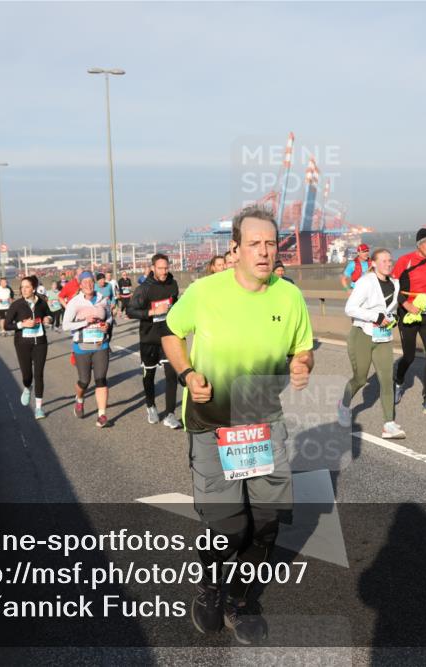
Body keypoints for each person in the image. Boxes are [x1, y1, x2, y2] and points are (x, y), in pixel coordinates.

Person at [162, 205, 314, 645]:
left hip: (262, 424)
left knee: (265, 523)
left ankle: (240, 600)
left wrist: (302, 364)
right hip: (212, 424)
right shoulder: (205, 291)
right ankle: (211, 586)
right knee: (227, 526)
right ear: (235, 249)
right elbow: (171, 332)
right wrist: (187, 374)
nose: (264, 252)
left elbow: (303, 349)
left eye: (271, 244)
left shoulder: (289, 297)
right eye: (254, 244)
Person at [338, 249, 404, 439]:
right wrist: (376, 316)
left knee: (387, 380)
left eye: (390, 260)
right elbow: (350, 308)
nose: (388, 264)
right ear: (373, 263)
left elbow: (392, 309)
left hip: (383, 338)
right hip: (362, 335)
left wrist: (394, 318)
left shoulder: (395, 283)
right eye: (383, 261)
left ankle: (389, 424)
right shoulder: (365, 282)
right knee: (360, 379)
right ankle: (343, 405)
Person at [392, 228, 426, 414]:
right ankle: (398, 382)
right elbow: (392, 286)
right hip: (408, 315)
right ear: (419, 245)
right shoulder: (404, 261)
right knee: (409, 356)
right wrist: (406, 304)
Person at [128, 253, 181, 429]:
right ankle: (150, 405)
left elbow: (176, 305)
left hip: (168, 335)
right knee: (149, 375)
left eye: (166, 268)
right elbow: (130, 311)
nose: (164, 271)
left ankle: (170, 414)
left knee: (171, 375)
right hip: (149, 338)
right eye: (160, 268)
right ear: (153, 268)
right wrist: (152, 312)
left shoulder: (173, 284)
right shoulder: (144, 288)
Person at [62, 271, 112, 426]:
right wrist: (85, 322)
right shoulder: (75, 302)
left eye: (91, 282)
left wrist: (107, 324)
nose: (88, 285)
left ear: (94, 283)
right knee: (84, 381)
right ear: (80, 285)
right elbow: (65, 325)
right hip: (82, 347)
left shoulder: (103, 299)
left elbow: (109, 316)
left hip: (101, 345)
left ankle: (102, 415)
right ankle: (79, 399)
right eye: (85, 282)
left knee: (101, 380)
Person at [5, 276, 53, 419]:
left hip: (40, 342)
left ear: (34, 288)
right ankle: (27, 387)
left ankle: (38, 408)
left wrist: (48, 319)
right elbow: (7, 325)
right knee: (27, 376)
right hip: (22, 344)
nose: (23, 290)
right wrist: (22, 324)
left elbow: (49, 315)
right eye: (22, 287)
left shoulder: (42, 303)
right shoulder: (17, 305)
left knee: (39, 374)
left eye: (27, 287)